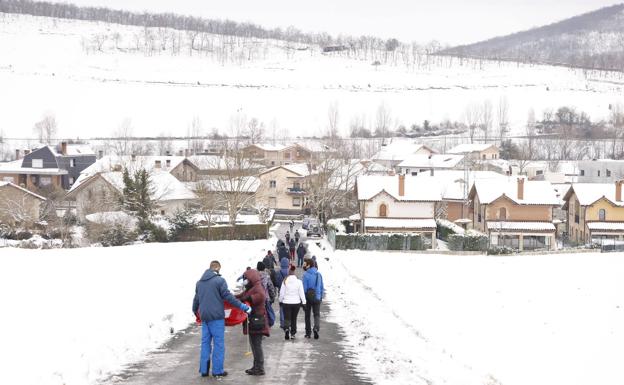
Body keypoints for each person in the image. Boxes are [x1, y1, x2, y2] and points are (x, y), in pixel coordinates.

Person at [192, 260, 251, 378]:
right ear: (218, 269)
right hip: (216, 318)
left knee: (205, 344)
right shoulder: (220, 281)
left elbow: (196, 301)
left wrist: (196, 313)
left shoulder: (199, 283)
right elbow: (228, 297)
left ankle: (204, 370)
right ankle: (217, 371)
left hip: (205, 318)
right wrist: (243, 306)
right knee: (218, 344)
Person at [236, 269, 269, 376]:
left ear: (251, 278)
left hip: (257, 320)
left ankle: (259, 368)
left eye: (246, 279)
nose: (245, 281)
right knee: (254, 344)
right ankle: (256, 366)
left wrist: (249, 299)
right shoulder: (252, 288)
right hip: (254, 320)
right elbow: (242, 296)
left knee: (256, 344)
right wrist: (232, 298)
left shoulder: (257, 288)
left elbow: (261, 296)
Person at [278, 265, 306, 340]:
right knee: (294, 318)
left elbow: (282, 293)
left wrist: (280, 300)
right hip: (296, 303)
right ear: (294, 272)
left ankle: (287, 329)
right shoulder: (299, 282)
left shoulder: (285, 281)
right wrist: (304, 302)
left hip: (286, 303)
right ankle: (293, 333)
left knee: (287, 318)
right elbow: (301, 293)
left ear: (289, 272)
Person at [302, 259, 324, 339]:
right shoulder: (319, 275)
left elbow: (304, 288)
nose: (304, 265)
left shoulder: (305, 275)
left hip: (308, 298)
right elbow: (322, 287)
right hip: (317, 297)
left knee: (307, 315)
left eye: (306, 264)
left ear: (309, 265)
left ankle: (308, 333)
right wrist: (321, 296)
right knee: (317, 314)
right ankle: (316, 328)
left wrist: (302, 299)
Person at [275, 256, 290, 329]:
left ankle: (282, 323)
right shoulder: (290, 272)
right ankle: (288, 322)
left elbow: (277, 282)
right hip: (289, 292)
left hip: (281, 292)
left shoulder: (278, 272)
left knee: (281, 308)